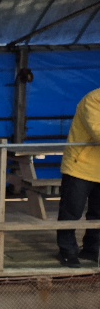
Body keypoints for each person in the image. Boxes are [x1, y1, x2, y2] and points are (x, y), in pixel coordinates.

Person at [57, 87, 100, 268]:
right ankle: (67, 251)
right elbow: (97, 131)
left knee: (98, 213)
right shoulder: (94, 99)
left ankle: (92, 249)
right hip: (79, 167)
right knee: (71, 212)